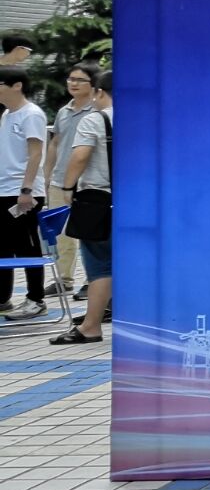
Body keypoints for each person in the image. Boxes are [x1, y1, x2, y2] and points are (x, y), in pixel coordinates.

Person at [50, 71, 111, 346]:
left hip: (98, 199)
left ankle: (90, 327)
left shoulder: (95, 119)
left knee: (100, 264)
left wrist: (67, 188)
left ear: (99, 92)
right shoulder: (146, 117)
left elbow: (80, 155)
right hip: (141, 200)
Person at [44, 62, 101, 301]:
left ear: (93, 85)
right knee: (60, 234)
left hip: (87, 183)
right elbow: (55, 143)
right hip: (60, 180)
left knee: (88, 234)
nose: (73, 84)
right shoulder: (63, 111)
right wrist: (47, 174)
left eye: (79, 80)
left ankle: (91, 281)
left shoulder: (98, 111)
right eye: (70, 79)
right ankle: (63, 279)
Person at [0, 64, 48, 318]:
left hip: (23, 192)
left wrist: (26, 189)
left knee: (27, 246)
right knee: (3, 247)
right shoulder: (7, 115)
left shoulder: (31, 114)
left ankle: (35, 299)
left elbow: (36, 153)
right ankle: (3, 298)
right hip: (4, 190)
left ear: (17, 85)